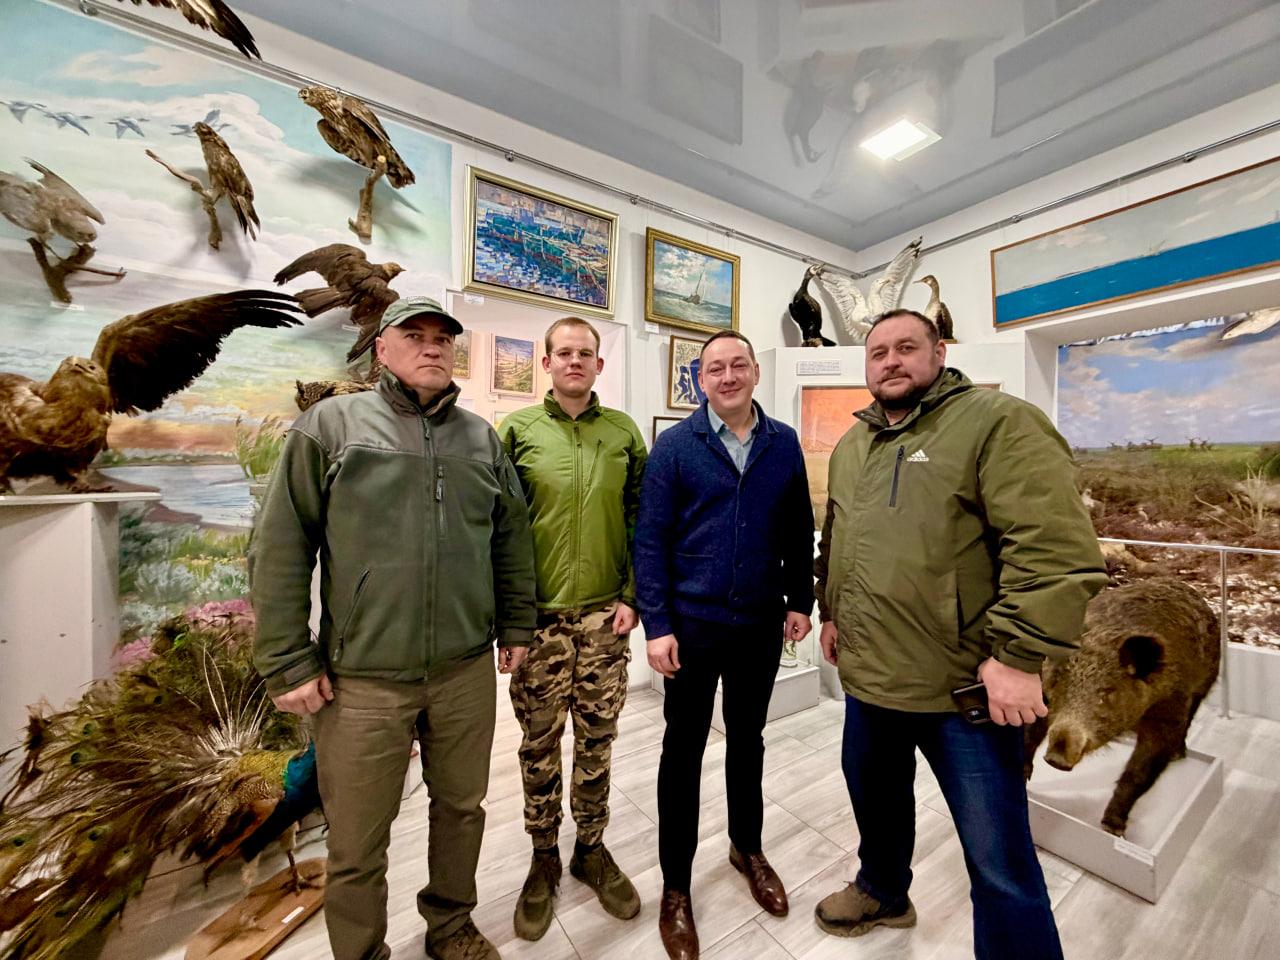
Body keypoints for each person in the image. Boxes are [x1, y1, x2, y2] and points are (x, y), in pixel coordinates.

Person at [812, 309, 1108, 960]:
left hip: (964, 689)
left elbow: (1053, 550)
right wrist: (831, 611)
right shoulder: (854, 445)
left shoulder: (996, 423)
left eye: (906, 347)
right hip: (872, 680)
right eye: (878, 352)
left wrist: (1019, 657)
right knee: (877, 806)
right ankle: (883, 891)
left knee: (999, 860)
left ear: (939, 354)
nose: (890, 361)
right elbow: (838, 541)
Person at [249, 296, 536, 960]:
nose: (432, 346)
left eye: (444, 338)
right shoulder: (331, 427)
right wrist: (287, 659)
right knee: (356, 841)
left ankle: (451, 925)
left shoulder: (480, 438)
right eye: (415, 335)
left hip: (464, 672)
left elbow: (511, 540)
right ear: (382, 349)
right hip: (362, 683)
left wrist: (517, 624)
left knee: (461, 811)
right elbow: (281, 545)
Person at [634, 330, 815, 960]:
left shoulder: (782, 443)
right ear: (700, 379)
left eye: (739, 365)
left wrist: (801, 600)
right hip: (691, 628)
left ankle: (747, 847)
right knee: (682, 752)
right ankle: (676, 887)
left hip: (758, 625)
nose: (728, 376)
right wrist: (657, 625)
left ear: (756, 372)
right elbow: (650, 541)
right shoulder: (676, 447)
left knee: (748, 739)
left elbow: (798, 526)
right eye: (716, 368)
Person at [496, 317, 648, 940]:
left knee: (597, 741)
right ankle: (542, 857)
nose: (575, 361)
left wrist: (634, 597)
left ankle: (590, 847)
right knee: (538, 745)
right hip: (539, 623)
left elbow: (642, 519)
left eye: (586, 353)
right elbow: (498, 528)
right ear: (547, 364)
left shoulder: (623, 433)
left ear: (599, 365)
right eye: (564, 353)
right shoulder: (517, 432)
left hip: (606, 618)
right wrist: (510, 620)